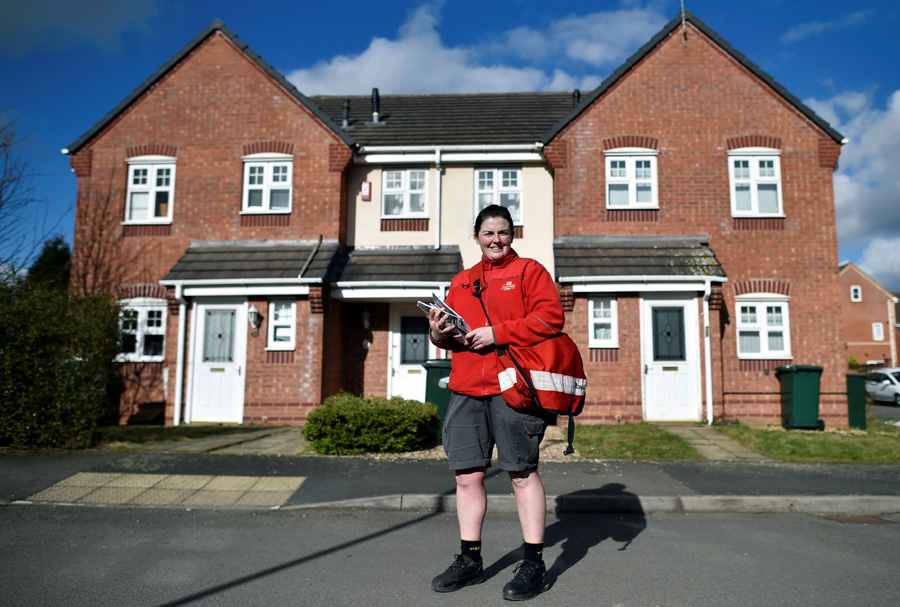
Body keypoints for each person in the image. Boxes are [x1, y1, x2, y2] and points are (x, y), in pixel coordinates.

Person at [428, 204, 565, 601]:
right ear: (477, 238)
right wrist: (438, 334)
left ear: (512, 235)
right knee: (467, 477)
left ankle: (534, 564)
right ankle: (470, 561)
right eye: (488, 233)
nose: (496, 240)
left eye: (503, 232)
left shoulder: (530, 271)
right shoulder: (461, 281)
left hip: (514, 389)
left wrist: (497, 333)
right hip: (467, 387)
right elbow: (450, 339)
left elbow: (550, 319)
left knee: (521, 473)